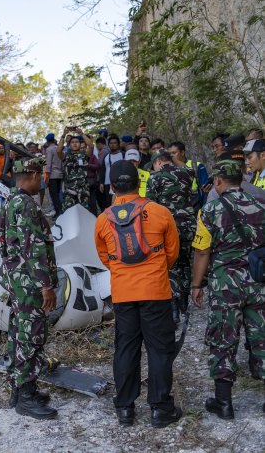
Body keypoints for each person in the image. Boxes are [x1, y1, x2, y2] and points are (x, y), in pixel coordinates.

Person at [94, 161, 182, 428]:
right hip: (155, 290)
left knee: (125, 349)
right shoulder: (160, 212)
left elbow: (104, 257)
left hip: (123, 292)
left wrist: (125, 273)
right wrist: (153, 270)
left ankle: (124, 409)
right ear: (139, 183)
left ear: (112, 187)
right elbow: (172, 253)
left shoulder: (102, 219)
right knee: (159, 349)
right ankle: (160, 409)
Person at [190, 159, 265, 419]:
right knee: (261, 336)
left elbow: (202, 252)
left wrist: (197, 284)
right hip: (259, 281)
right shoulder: (261, 204)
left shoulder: (209, 210)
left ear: (219, 181)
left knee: (223, 338)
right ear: (241, 180)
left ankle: (224, 403)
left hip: (225, 285)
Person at [0, 157, 59, 420]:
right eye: (41, 174)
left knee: (17, 333)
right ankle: (26, 395)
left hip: (16, 279)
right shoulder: (26, 205)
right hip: (29, 283)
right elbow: (33, 248)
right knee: (31, 336)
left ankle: (19, 387)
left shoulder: (9, 201)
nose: (43, 179)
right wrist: (46, 285)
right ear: (32, 174)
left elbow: (4, 243)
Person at [146, 150, 197, 323]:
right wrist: (174, 160)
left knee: (171, 265)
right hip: (189, 225)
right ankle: (184, 300)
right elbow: (187, 168)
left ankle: (173, 305)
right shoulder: (187, 173)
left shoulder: (154, 178)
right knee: (185, 262)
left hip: (168, 227)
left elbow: (150, 206)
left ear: (158, 162)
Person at [57, 129, 94, 212]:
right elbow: (58, 150)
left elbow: (91, 146)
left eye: (77, 142)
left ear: (80, 144)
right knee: (68, 212)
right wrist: (63, 135)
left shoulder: (85, 155)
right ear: (69, 145)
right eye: (72, 142)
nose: (74, 143)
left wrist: (81, 134)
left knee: (85, 212)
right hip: (69, 189)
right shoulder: (65, 156)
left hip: (83, 189)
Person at [168, 141, 209, 207]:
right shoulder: (168, 170)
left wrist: (204, 207)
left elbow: (206, 188)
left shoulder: (196, 166)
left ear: (182, 153)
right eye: (169, 154)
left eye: (174, 153)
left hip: (196, 204)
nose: (171, 156)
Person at [99, 134, 124, 209]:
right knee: (109, 203)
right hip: (108, 184)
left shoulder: (123, 155)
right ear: (108, 145)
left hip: (121, 183)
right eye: (111, 143)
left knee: (121, 202)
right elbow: (103, 169)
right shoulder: (106, 156)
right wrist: (101, 183)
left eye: (115, 143)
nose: (113, 145)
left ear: (118, 144)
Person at [44, 133, 63, 216]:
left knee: (54, 195)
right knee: (58, 194)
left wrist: (47, 177)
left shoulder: (49, 149)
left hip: (52, 175)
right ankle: (60, 211)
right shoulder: (59, 148)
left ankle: (58, 212)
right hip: (60, 174)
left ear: (47, 141)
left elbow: (48, 164)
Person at [82, 141, 101, 215]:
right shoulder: (76, 156)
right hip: (80, 183)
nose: (83, 149)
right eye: (81, 148)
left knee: (92, 201)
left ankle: (94, 217)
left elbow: (97, 166)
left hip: (91, 181)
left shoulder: (92, 156)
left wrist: (89, 165)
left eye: (84, 147)